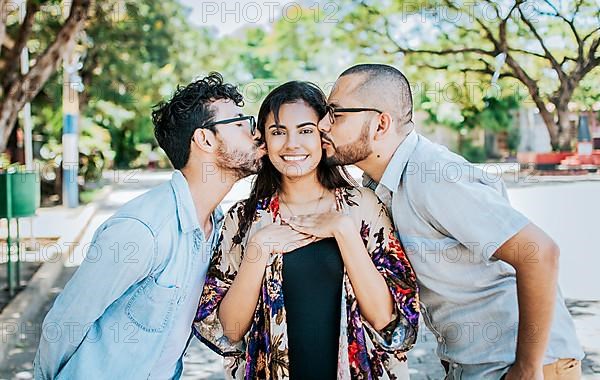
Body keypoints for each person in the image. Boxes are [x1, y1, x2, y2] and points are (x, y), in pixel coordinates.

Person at [318, 63, 584, 380]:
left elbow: (539, 252)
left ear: (380, 124)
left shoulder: (431, 175)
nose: (322, 124)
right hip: (477, 366)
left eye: (336, 114)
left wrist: (528, 367)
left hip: (524, 365)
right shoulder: (380, 187)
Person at [34, 72, 266, 379]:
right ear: (205, 139)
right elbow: (65, 323)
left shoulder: (218, 229)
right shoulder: (143, 230)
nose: (257, 134)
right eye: (240, 123)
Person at [194, 81, 419, 379]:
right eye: (278, 132)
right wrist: (258, 250)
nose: (292, 145)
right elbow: (231, 331)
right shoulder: (244, 218)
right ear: (263, 140)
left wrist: (344, 232)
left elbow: (385, 321)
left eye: (305, 130)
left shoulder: (361, 205)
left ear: (323, 136)